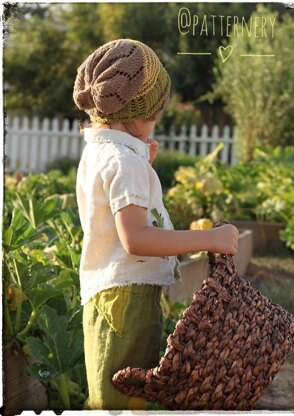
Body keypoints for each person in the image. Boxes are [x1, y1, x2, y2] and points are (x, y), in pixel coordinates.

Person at [73, 38, 239, 411]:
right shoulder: (123, 161)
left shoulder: (101, 149)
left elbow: (114, 215)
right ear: (134, 112)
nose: (155, 123)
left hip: (112, 296)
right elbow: (136, 238)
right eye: (153, 115)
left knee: (112, 391)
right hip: (127, 299)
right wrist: (209, 238)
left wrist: (141, 163)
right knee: (123, 400)